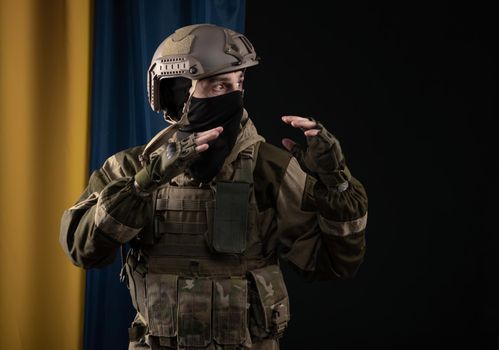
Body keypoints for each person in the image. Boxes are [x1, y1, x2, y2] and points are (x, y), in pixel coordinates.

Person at [60, 24, 368, 350]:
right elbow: (82, 250)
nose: (234, 97)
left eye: (239, 84)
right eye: (219, 85)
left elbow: (334, 264)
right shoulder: (130, 168)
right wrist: (145, 183)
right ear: (178, 93)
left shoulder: (270, 168)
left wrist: (336, 183)